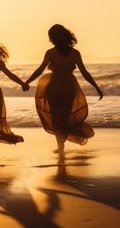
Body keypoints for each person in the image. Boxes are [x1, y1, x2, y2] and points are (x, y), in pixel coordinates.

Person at [24, 24, 103, 152]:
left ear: (53, 38)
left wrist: (26, 82)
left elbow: (40, 69)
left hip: (54, 86)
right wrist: (96, 87)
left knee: (56, 118)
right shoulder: (75, 53)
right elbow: (85, 72)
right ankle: (61, 144)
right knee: (65, 119)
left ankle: (60, 145)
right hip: (69, 87)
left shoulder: (50, 53)